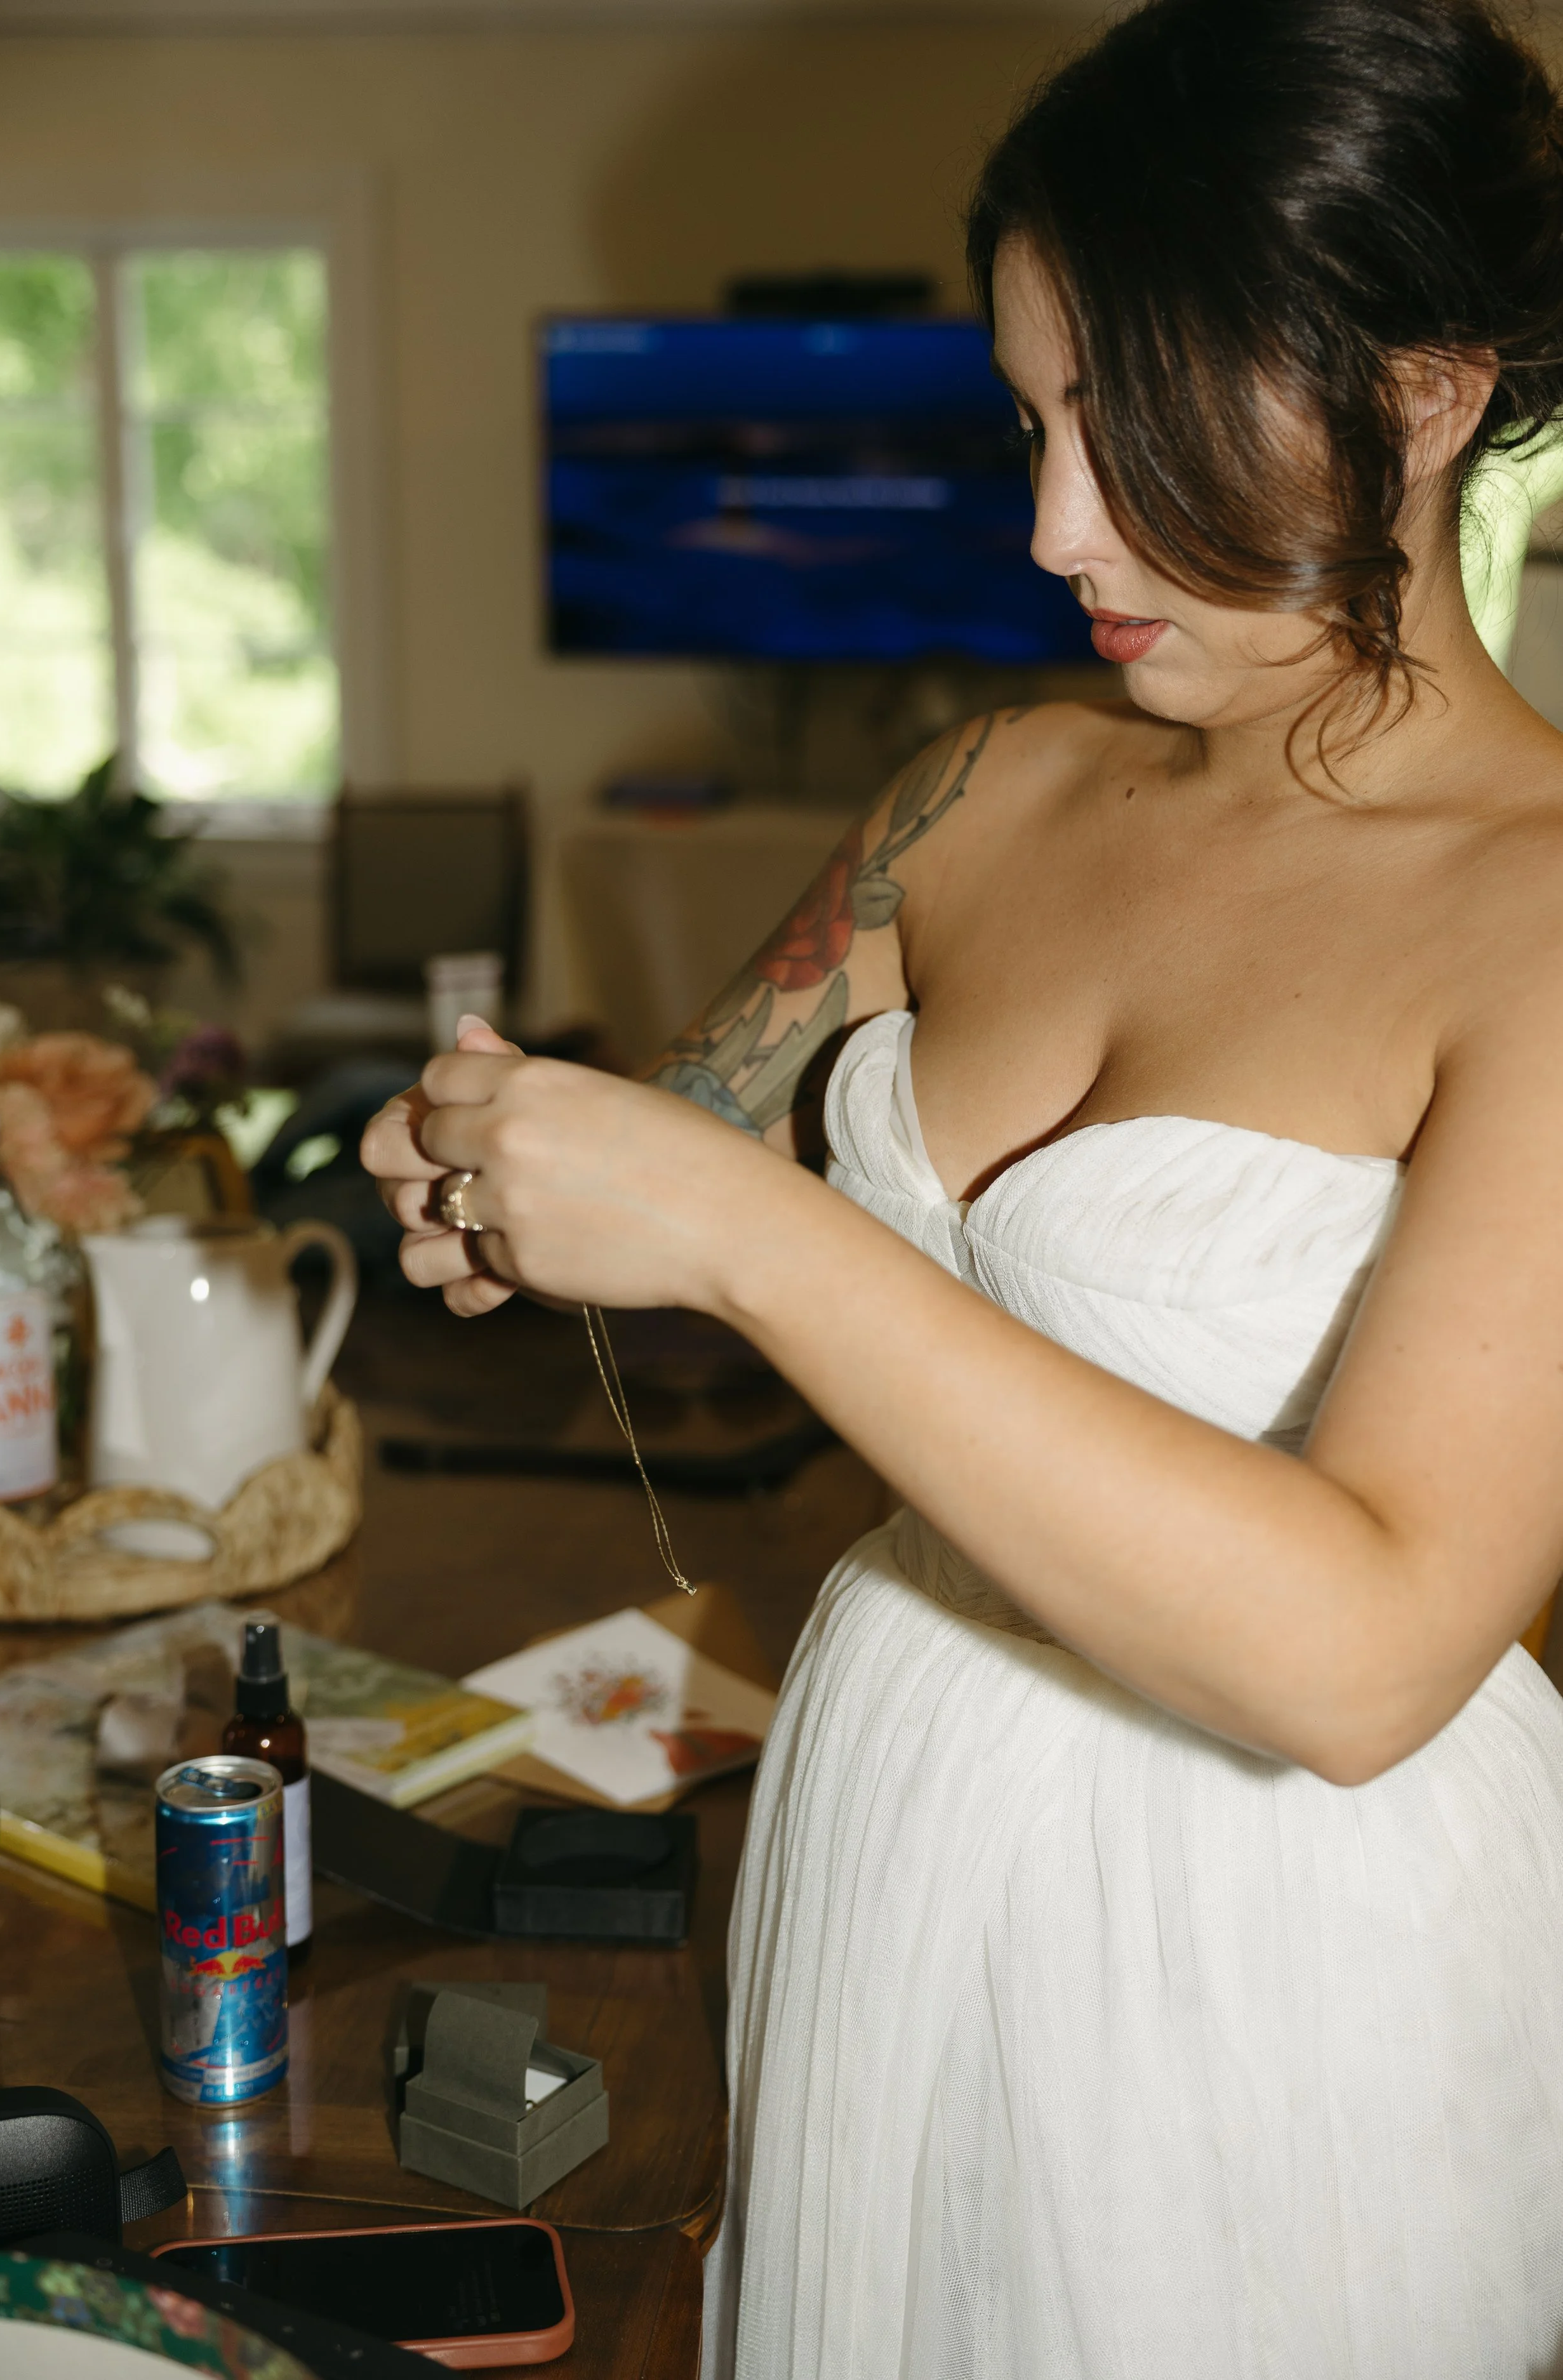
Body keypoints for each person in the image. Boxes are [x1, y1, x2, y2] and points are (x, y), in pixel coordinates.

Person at [364, 1, 1563, 2367]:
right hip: (891, 1819)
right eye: (1032, 422)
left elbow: (1360, 1656)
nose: (1052, 527)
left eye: (1135, 420)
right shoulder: (985, 790)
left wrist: (743, 1237)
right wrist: (495, 1166)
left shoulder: (1536, 913)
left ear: (1423, 394)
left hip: (1275, 1965)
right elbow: (691, 1129)